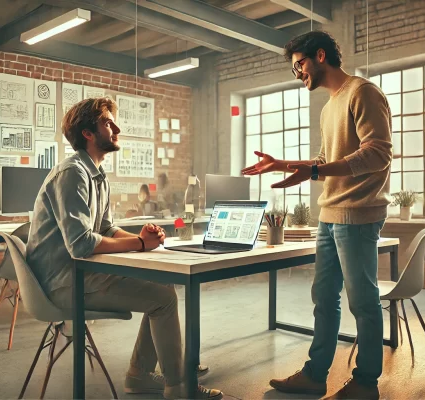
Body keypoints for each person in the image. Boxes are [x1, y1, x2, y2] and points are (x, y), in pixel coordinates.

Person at [26, 97, 223, 400]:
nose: (116, 128)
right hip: (60, 283)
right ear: (88, 134)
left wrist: (139, 236)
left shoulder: (97, 175)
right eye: (107, 122)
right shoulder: (73, 173)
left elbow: (104, 229)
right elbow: (80, 245)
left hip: (77, 274)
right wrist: (140, 244)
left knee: (161, 284)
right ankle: (179, 388)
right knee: (163, 298)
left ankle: (140, 375)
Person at [242, 31, 392, 400]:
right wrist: (284, 164)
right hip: (329, 215)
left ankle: (366, 382)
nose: (298, 74)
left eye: (300, 65)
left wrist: (313, 173)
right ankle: (315, 374)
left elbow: (378, 154)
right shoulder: (329, 107)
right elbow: (325, 162)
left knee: (362, 301)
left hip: (357, 214)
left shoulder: (363, 93)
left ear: (320, 55)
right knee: (324, 297)